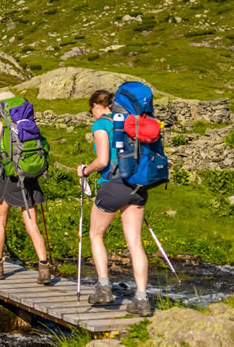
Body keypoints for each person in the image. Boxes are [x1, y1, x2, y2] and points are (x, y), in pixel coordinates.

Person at [77, 90, 151, 317]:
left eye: (92, 110)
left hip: (113, 185)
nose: (92, 114)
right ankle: (141, 298)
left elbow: (102, 161)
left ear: (96, 106)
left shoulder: (101, 124)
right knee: (135, 243)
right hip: (138, 186)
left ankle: (104, 288)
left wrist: (84, 171)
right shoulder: (132, 121)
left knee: (95, 234)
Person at [0, 91, 51, 285]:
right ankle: (44, 268)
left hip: (8, 178)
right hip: (29, 176)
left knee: (0, 220)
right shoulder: (29, 124)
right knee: (32, 224)